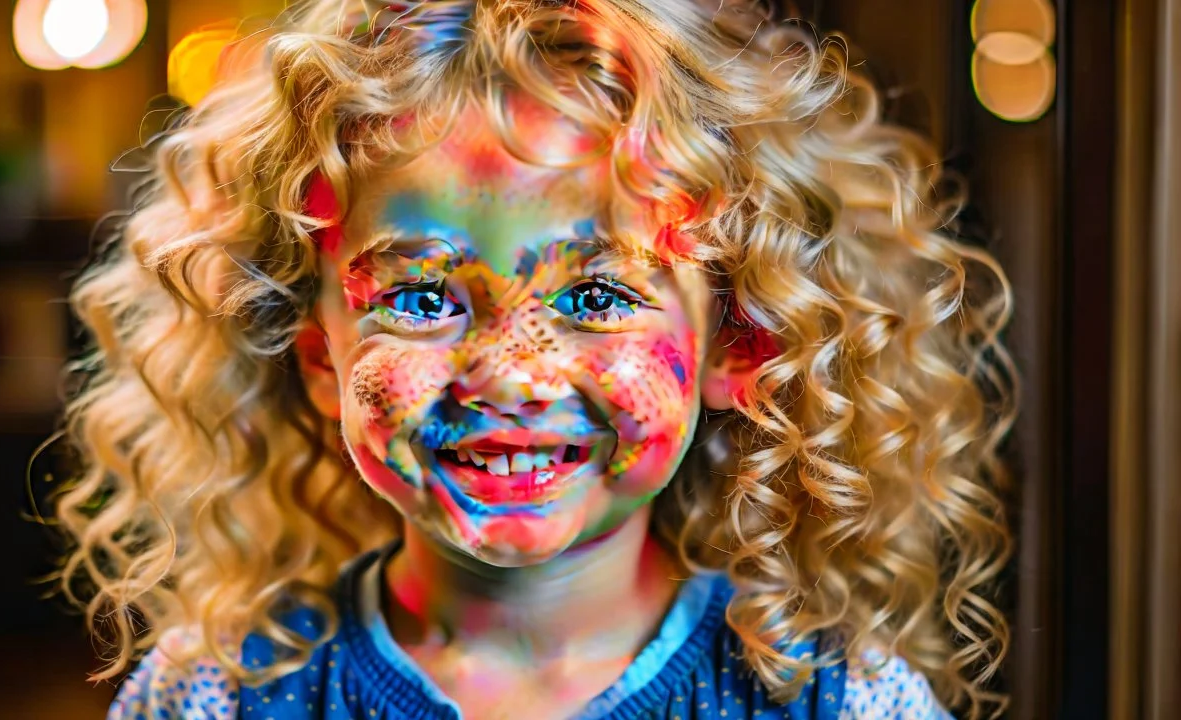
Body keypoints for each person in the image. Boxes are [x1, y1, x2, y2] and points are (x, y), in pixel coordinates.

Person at [58, 1, 1016, 717]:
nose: (512, 373)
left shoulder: (835, 699)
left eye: (597, 298)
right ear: (320, 359)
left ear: (739, 344)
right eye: (422, 299)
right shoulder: (219, 695)